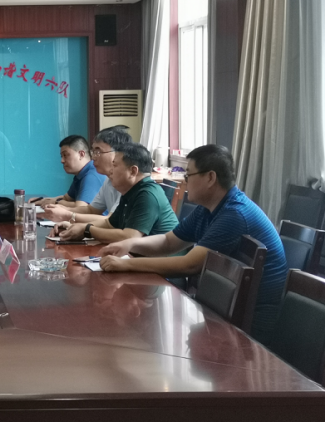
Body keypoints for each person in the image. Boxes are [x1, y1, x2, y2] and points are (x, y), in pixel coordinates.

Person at [98, 144, 288, 343]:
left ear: (210, 178)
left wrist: (126, 264)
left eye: (188, 175)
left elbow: (189, 265)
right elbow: (169, 241)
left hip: (251, 322)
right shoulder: (208, 208)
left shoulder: (234, 214)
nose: (184, 180)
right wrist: (131, 245)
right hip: (229, 307)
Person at [54, 143, 178, 243]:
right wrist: (75, 226)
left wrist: (87, 230)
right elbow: (109, 224)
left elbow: (130, 237)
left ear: (133, 171)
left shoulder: (147, 194)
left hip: (162, 263)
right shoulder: (130, 191)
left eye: (115, 165)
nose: (110, 170)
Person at [40, 126, 131, 223]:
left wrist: (68, 215)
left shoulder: (127, 182)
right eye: (93, 152)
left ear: (118, 154)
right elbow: (91, 210)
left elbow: (110, 221)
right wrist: (62, 208)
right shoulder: (108, 181)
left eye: (98, 152)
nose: (93, 157)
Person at [37, 135, 105, 207]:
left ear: (81, 154)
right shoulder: (80, 174)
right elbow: (67, 198)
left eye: (65, 155)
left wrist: (56, 202)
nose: (62, 161)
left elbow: (80, 207)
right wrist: (44, 200)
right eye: (61, 156)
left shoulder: (92, 176)